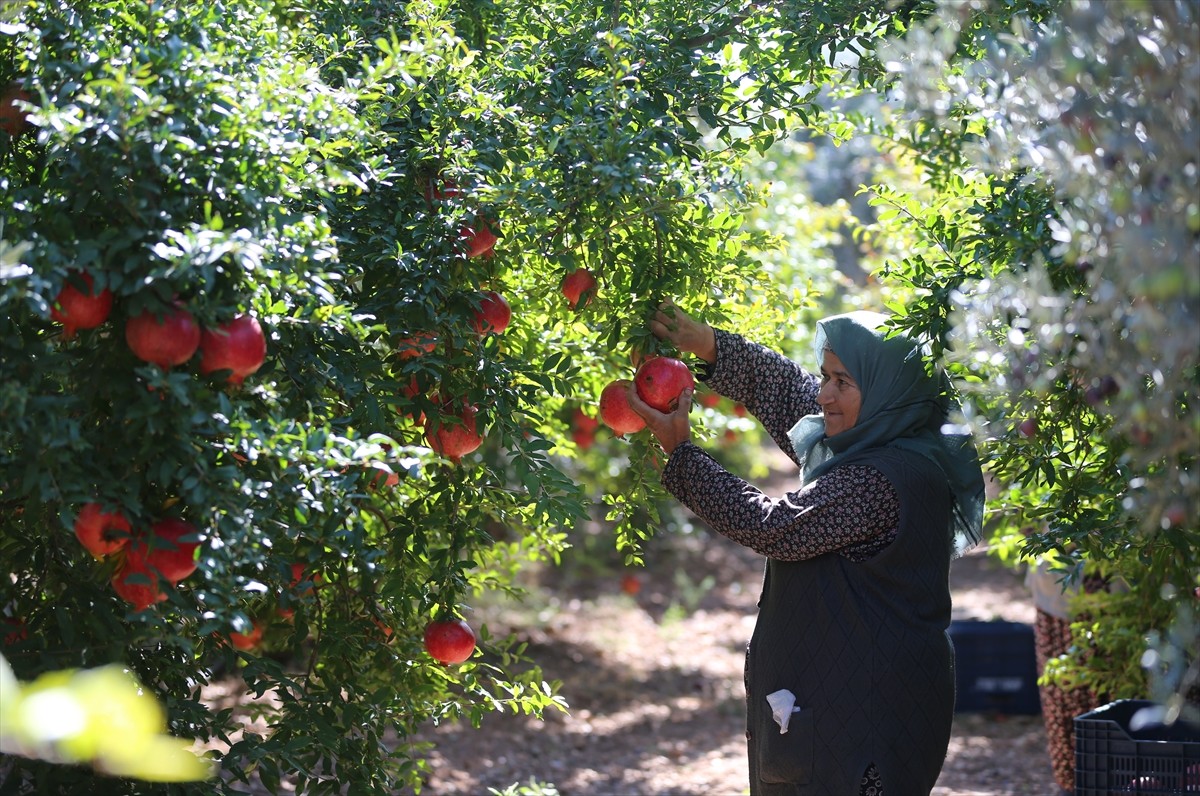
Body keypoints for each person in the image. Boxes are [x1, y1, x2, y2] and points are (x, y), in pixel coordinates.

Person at [626, 303, 986, 796]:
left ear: (885, 390)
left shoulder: (878, 480)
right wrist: (708, 343)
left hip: (860, 726)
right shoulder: (882, 440)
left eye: (843, 381)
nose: (824, 395)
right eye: (826, 376)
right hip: (852, 709)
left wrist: (681, 454)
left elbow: (774, 528)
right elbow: (788, 391)